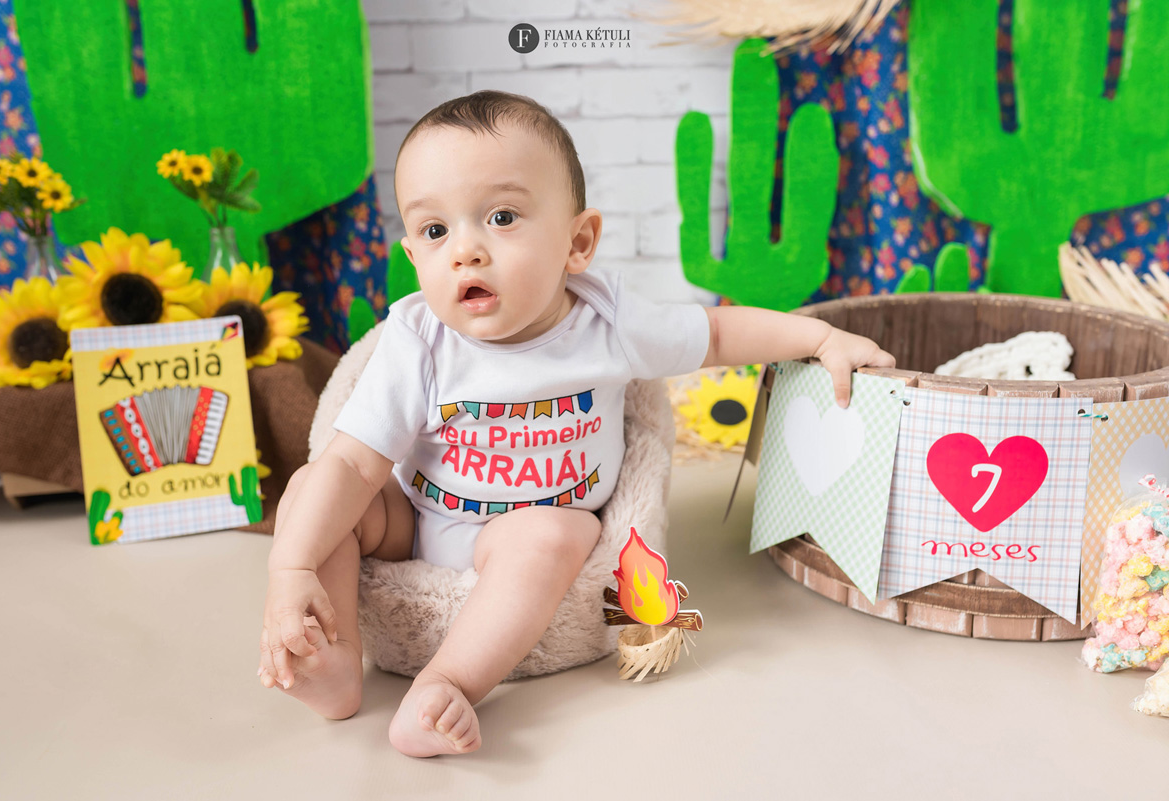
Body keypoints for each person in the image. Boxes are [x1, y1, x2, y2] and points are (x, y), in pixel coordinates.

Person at [256, 90, 895, 757]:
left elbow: (715, 332)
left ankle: (448, 681)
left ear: (577, 242)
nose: (465, 251)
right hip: (415, 523)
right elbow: (356, 464)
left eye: (501, 217)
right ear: (413, 254)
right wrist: (291, 568)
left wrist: (817, 339)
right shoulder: (416, 338)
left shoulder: (607, 324)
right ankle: (330, 658)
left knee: (551, 532)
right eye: (435, 230)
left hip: (524, 532)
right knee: (315, 486)